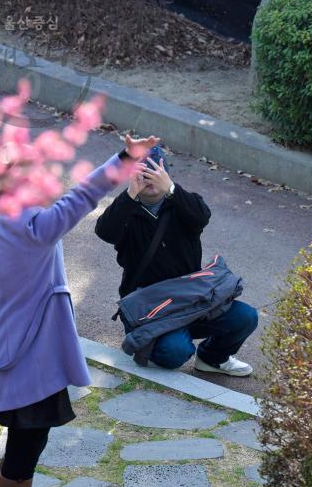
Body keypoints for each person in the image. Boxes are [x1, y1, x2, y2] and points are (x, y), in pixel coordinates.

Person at [0, 132, 157, 487]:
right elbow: (85, 194)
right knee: (26, 448)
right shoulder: (38, 227)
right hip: (39, 361)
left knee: (18, 444)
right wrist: (125, 157)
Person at [93, 146, 258, 376]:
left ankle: (211, 359)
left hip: (192, 299)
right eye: (143, 173)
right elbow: (105, 232)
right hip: (151, 307)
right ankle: (158, 341)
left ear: (166, 174)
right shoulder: (127, 211)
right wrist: (130, 193)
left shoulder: (182, 204)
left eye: (155, 171)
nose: (149, 179)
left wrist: (171, 189)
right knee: (175, 352)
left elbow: (202, 216)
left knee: (246, 317)